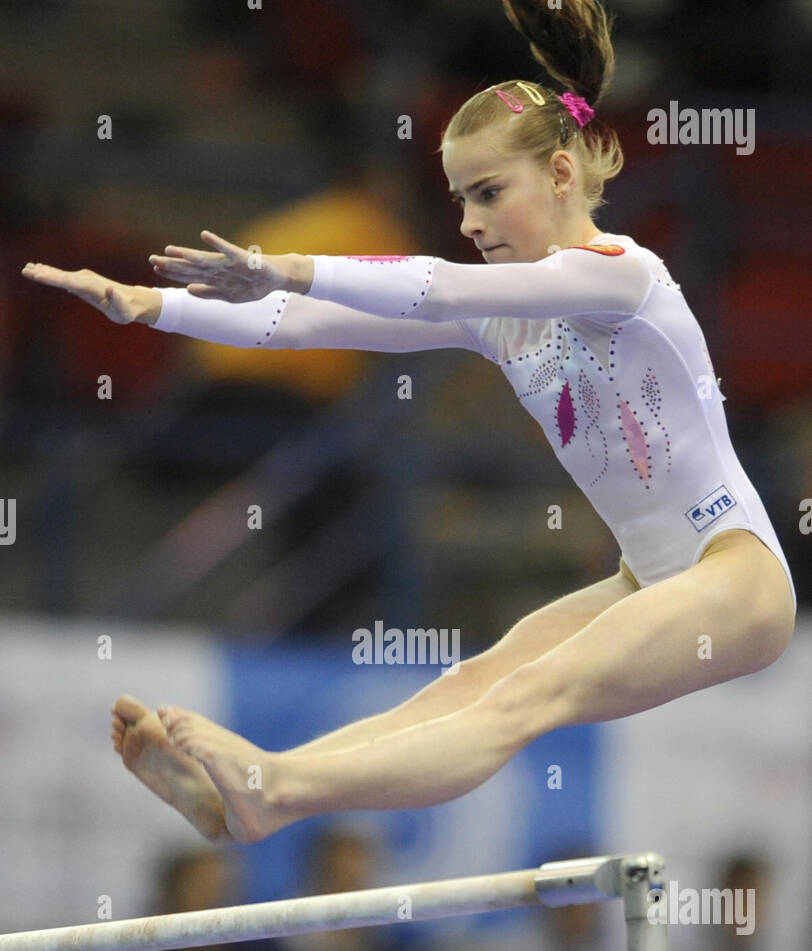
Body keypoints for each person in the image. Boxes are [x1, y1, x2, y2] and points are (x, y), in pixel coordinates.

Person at [22, 0, 796, 850]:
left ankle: (275, 785)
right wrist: (153, 308)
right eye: (461, 198)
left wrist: (290, 265)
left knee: (523, 699)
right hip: (647, 578)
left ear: (564, 177)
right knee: (467, 685)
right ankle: (262, 797)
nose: (469, 221)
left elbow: (439, 283)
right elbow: (300, 326)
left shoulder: (625, 275)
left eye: (490, 193)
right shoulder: (506, 315)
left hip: (735, 577)